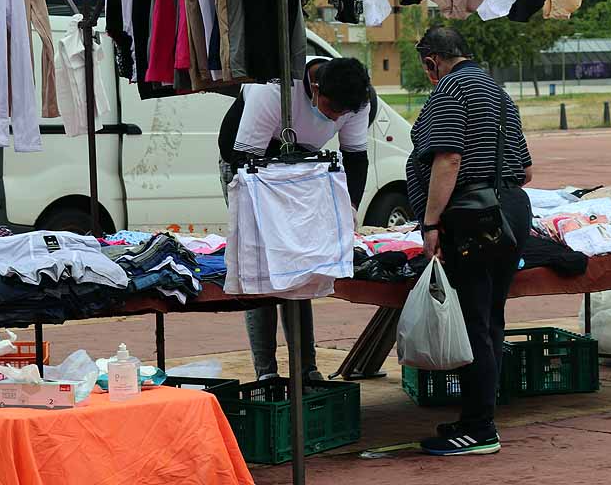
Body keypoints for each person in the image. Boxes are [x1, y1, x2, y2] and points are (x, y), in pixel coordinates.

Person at [407, 27, 533, 457]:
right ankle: (476, 417)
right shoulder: (497, 90)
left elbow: (449, 157)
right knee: (489, 319)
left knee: (474, 321)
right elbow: (527, 169)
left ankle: (480, 428)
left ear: (432, 62)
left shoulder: (450, 88)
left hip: (474, 214)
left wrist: (430, 223)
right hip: (511, 207)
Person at [217, 57, 372, 381]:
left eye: (342, 114)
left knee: (303, 265)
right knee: (261, 265)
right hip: (249, 162)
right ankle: (266, 372)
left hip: (303, 166)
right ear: (315, 88)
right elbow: (244, 160)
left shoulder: (358, 101)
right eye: (331, 109)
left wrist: (351, 209)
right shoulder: (273, 90)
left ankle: (306, 367)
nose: (334, 117)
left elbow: (355, 159)